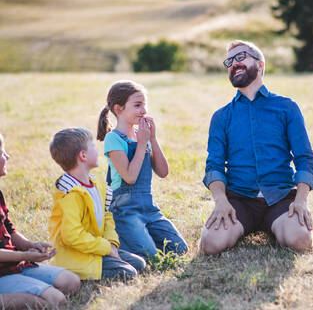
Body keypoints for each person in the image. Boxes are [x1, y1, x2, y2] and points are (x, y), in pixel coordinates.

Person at [200, 40, 313, 255]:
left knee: (300, 241)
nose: (233, 64)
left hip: (280, 197)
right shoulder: (221, 117)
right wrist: (221, 202)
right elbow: (214, 165)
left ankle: (278, 225)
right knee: (210, 244)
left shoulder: (287, 108)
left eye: (240, 57)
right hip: (239, 200)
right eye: (229, 61)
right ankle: (243, 224)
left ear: (260, 64)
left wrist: (300, 201)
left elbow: (304, 158)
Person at [97, 80, 187, 258]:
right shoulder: (113, 139)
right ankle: (119, 240)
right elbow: (130, 177)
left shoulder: (143, 137)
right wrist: (142, 144)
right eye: (137, 105)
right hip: (125, 209)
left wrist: (152, 139)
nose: (144, 110)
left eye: (145, 105)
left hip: (149, 207)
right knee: (150, 256)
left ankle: (137, 237)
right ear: (118, 109)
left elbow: (163, 172)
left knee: (180, 250)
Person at [49, 128, 146, 280]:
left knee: (140, 264)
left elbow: (107, 217)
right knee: (129, 273)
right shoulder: (70, 194)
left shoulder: (97, 184)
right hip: (77, 258)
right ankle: (77, 273)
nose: (97, 149)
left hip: (97, 249)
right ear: (83, 155)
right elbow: (71, 236)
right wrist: (106, 248)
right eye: (93, 146)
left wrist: (112, 244)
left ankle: (109, 258)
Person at [0, 133, 80, 308]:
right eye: (2, 153)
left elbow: (9, 230)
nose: (7, 156)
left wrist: (30, 244)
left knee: (71, 282)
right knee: (55, 301)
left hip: (14, 264)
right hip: (2, 272)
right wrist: (25, 255)